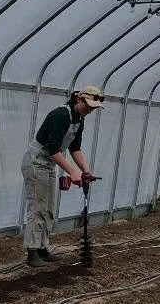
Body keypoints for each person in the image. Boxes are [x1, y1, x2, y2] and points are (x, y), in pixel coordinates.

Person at [20, 84, 103, 266]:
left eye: (92, 108)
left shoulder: (79, 119)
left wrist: (85, 170)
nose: (89, 110)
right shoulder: (60, 115)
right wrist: (72, 172)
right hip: (36, 162)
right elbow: (53, 149)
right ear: (78, 99)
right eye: (87, 106)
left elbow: (75, 148)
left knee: (49, 208)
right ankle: (32, 252)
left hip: (49, 164)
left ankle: (42, 248)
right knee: (38, 207)